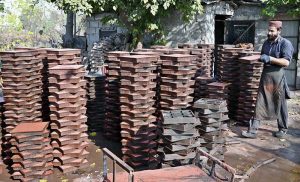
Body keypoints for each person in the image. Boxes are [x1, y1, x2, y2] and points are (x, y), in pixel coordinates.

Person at [242, 20, 294, 139]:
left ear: (279, 31)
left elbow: (286, 62)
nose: (269, 33)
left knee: (279, 102)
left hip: (277, 76)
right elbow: (262, 58)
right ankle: (253, 130)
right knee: (260, 100)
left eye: (272, 31)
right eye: (268, 30)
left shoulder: (285, 44)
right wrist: (257, 58)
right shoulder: (266, 43)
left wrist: (270, 58)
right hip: (266, 75)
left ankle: (283, 129)